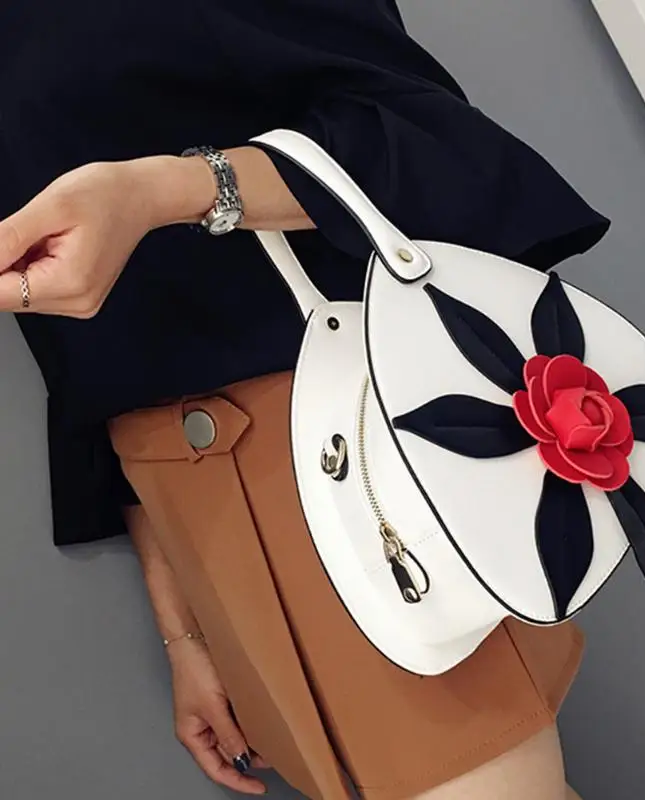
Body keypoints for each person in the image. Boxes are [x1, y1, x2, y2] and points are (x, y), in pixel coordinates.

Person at [0, 1, 609, 798]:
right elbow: (86, 357)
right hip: (194, 510)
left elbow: (428, 144)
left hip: (335, 457)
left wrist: (166, 190)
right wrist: (185, 629)